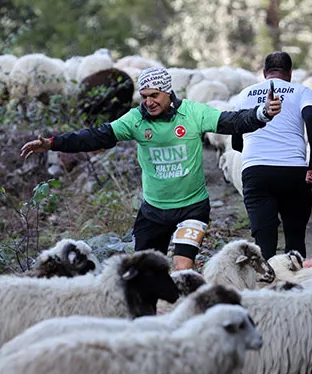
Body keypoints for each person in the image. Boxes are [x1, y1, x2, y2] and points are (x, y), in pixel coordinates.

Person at [20, 66, 282, 271]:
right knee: (145, 271)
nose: (149, 102)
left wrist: (263, 113)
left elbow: (232, 121)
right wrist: (53, 143)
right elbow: (96, 136)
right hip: (153, 212)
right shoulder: (135, 120)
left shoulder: (192, 113)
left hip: (192, 208)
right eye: (144, 97)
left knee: (182, 266)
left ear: (168, 93)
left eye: (154, 96)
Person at [231, 51, 312, 260]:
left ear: (264, 73)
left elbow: (236, 136)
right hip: (294, 171)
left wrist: (252, 153)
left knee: (264, 241)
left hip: (256, 172)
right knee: (295, 236)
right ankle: (294, 285)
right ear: (290, 73)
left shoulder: (246, 94)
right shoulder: (301, 91)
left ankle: (266, 287)